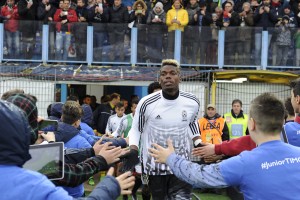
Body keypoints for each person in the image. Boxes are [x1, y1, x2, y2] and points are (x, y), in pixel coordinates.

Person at [149, 92, 300, 199]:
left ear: (252, 124)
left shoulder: (245, 163)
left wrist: (170, 158)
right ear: (282, 123)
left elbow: (199, 175)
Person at [0, 100, 135, 200]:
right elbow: (68, 171)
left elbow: (65, 158)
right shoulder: (33, 181)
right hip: (73, 192)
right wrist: (109, 186)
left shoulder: (35, 160)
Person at [125, 59, 201, 199]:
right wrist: (133, 149)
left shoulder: (192, 101)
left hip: (181, 164)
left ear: (180, 77)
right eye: (164, 74)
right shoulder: (146, 103)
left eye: (172, 73)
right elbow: (136, 129)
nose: (168, 76)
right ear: (159, 79)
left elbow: (192, 123)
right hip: (155, 166)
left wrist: (198, 142)